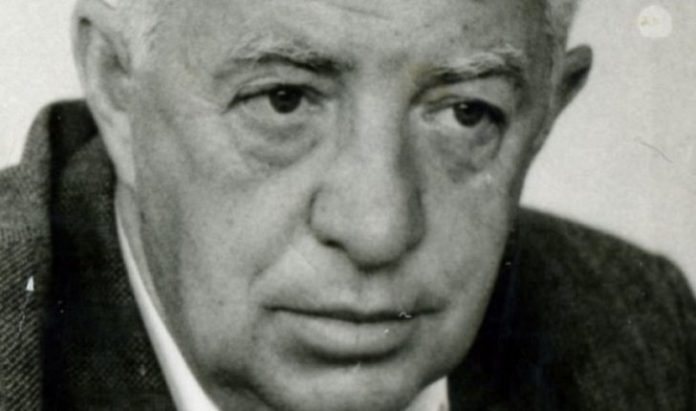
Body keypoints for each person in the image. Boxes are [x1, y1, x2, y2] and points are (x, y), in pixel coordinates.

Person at [1, 0, 694, 409]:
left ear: (543, 114)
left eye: (466, 113)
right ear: (118, 87)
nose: (377, 230)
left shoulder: (642, 335)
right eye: (283, 99)